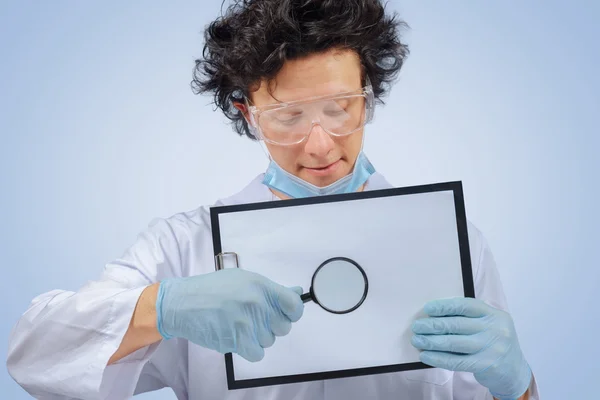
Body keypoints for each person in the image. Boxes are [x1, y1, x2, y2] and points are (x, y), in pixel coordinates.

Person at [7, 1, 540, 399]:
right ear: (247, 113)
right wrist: (162, 307)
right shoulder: (187, 245)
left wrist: (518, 383)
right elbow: (34, 353)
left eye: (340, 108)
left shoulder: (448, 241)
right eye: (288, 118)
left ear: (369, 96)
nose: (319, 143)